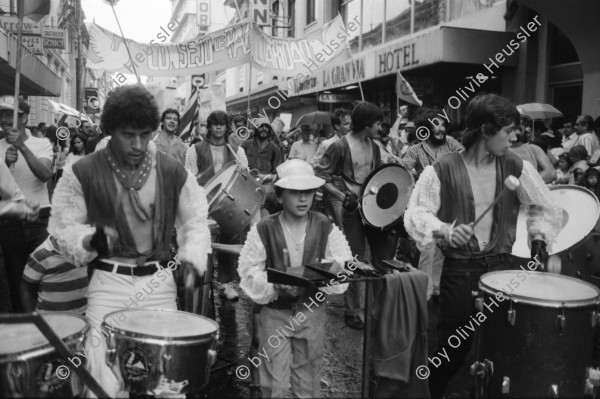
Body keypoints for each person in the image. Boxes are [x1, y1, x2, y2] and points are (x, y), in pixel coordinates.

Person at [48, 85, 211, 397]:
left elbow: (194, 222)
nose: (138, 144)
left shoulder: (171, 169)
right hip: (108, 285)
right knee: (103, 381)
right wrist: (90, 240)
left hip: (159, 288)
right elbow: (62, 229)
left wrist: (191, 258)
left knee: (165, 382)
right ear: (110, 130)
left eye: (145, 134)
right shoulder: (82, 171)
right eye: (128, 135)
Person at [404, 93, 563, 398]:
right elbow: (417, 213)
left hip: (503, 269)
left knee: (501, 350)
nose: (515, 136)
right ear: (485, 130)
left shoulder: (517, 166)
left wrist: (539, 235)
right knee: (451, 354)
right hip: (461, 271)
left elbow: (542, 205)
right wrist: (444, 231)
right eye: (508, 131)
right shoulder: (441, 169)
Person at [238, 158, 352, 398]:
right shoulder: (264, 228)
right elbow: (250, 271)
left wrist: (331, 272)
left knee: (308, 380)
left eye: (308, 192)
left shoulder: (324, 225)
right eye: (295, 193)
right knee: (274, 384)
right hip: (275, 312)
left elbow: (343, 263)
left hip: (311, 311)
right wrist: (271, 284)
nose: (303, 199)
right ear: (280, 196)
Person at [315, 101, 398, 330]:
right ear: (366, 124)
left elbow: (379, 175)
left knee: (383, 260)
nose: (380, 126)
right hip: (352, 210)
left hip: (375, 210)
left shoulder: (375, 146)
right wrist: (342, 197)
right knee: (354, 262)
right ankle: (352, 311)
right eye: (378, 122)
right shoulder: (339, 146)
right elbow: (320, 175)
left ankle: (380, 311)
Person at [185, 110, 248, 300]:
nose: (219, 127)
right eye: (215, 124)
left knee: (229, 241)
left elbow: (245, 176)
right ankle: (199, 281)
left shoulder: (238, 151)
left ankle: (226, 284)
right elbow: (189, 176)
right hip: (203, 203)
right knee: (202, 241)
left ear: (227, 127)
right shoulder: (195, 149)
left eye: (222, 124)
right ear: (209, 127)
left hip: (230, 204)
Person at [0, 95, 53, 312]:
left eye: (8, 114)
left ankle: (48, 327)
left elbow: (44, 174)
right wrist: (4, 164)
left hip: (40, 219)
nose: (3, 119)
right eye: (0, 114)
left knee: (44, 278)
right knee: (16, 280)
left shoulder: (42, 143)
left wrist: (21, 147)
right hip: (11, 219)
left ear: (23, 118)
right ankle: (25, 330)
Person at [20, 235, 88, 315]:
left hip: (83, 314)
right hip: (51, 318)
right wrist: (34, 318)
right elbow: (26, 289)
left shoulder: (84, 249)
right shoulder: (41, 255)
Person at [311, 109, 351, 229]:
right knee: (340, 227)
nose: (350, 127)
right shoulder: (327, 144)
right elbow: (315, 164)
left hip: (351, 188)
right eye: (346, 124)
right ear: (337, 126)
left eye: (351, 123)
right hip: (334, 188)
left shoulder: (354, 143)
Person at [399, 108, 463, 180]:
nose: (441, 129)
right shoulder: (415, 150)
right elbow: (402, 171)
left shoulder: (452, 144)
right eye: (436, 125)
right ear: (426, 128)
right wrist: (413, 178)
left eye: (443, 125)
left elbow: (467, 163)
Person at [243, 117, 283, 217]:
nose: (264, 129)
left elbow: (278, 174)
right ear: (255, 129)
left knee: (264, 219)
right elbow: (238, 166)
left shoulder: (275, 149)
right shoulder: (245, 145)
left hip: (265, 191)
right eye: (261, 126)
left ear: (270, 130)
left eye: (267, 127)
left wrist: (263, 177)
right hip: (246, 187)